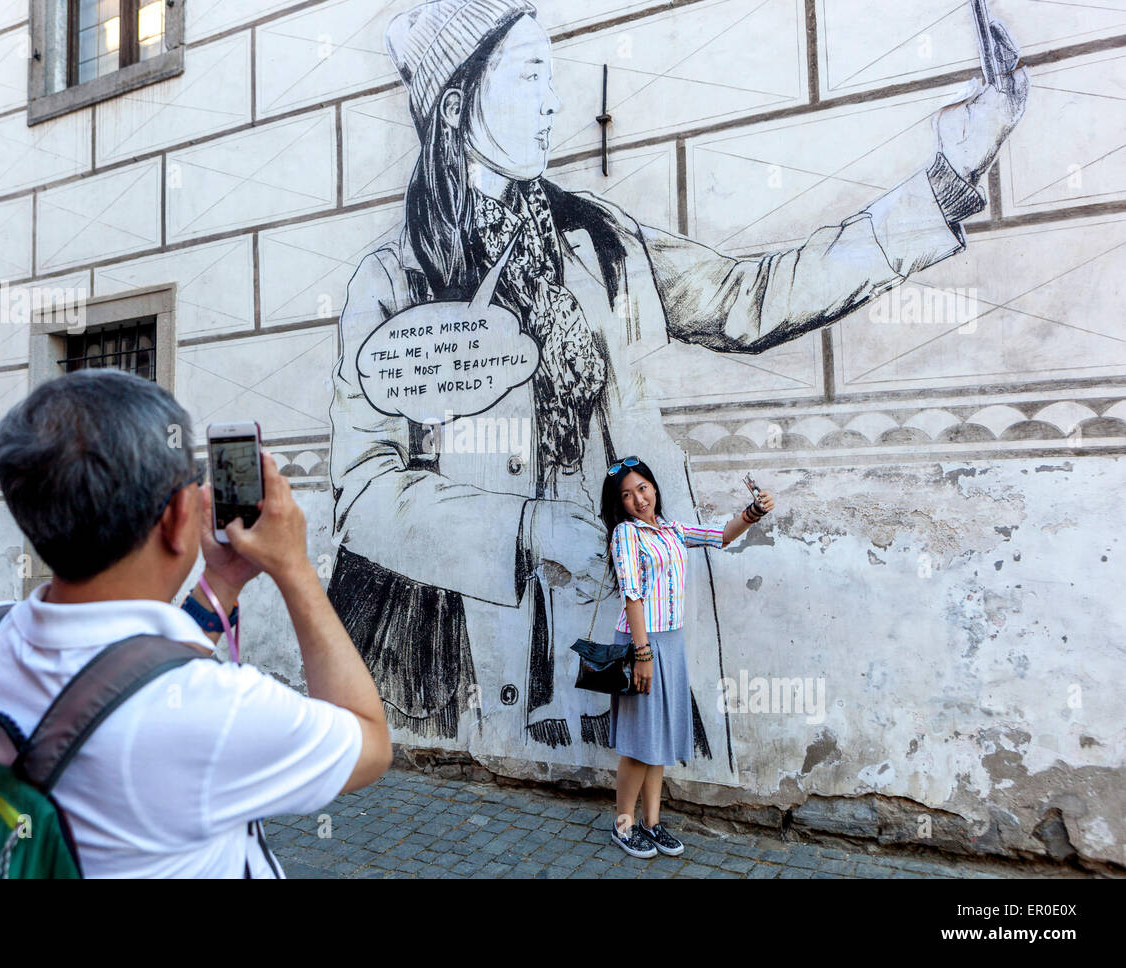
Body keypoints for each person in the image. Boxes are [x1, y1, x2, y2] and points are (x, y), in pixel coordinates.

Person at [327, 0, 1027, 765]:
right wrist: (526, 531)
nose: (554, 100)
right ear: (458, 104)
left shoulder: (599, 240)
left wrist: (942, 181)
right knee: (472, 803)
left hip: (602, 598)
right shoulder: (394, 279)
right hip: (460, 631)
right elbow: (363, 492)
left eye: (552, 76)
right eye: (529, 76)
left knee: (640, 751)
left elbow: (747, 299)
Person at [0, 368, 391, 877]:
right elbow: (369, 742)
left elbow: (131, 667)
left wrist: (222, 582)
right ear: (173, 517)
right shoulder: (218, 710)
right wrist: (295, 568)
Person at [599, 455, 774, 858]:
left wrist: (753, 512)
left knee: (657, 737)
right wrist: (642, 653)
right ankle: (623, 826)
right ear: (619, 503)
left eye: (642, 488)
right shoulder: (626, 535)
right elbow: (632, 595)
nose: (638, 499)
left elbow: (721, 535)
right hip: (640, 642)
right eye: (627, 495)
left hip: (671, 642)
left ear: (654, 487)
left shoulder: (672, 529)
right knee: (639, 739)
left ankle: (652, 823)